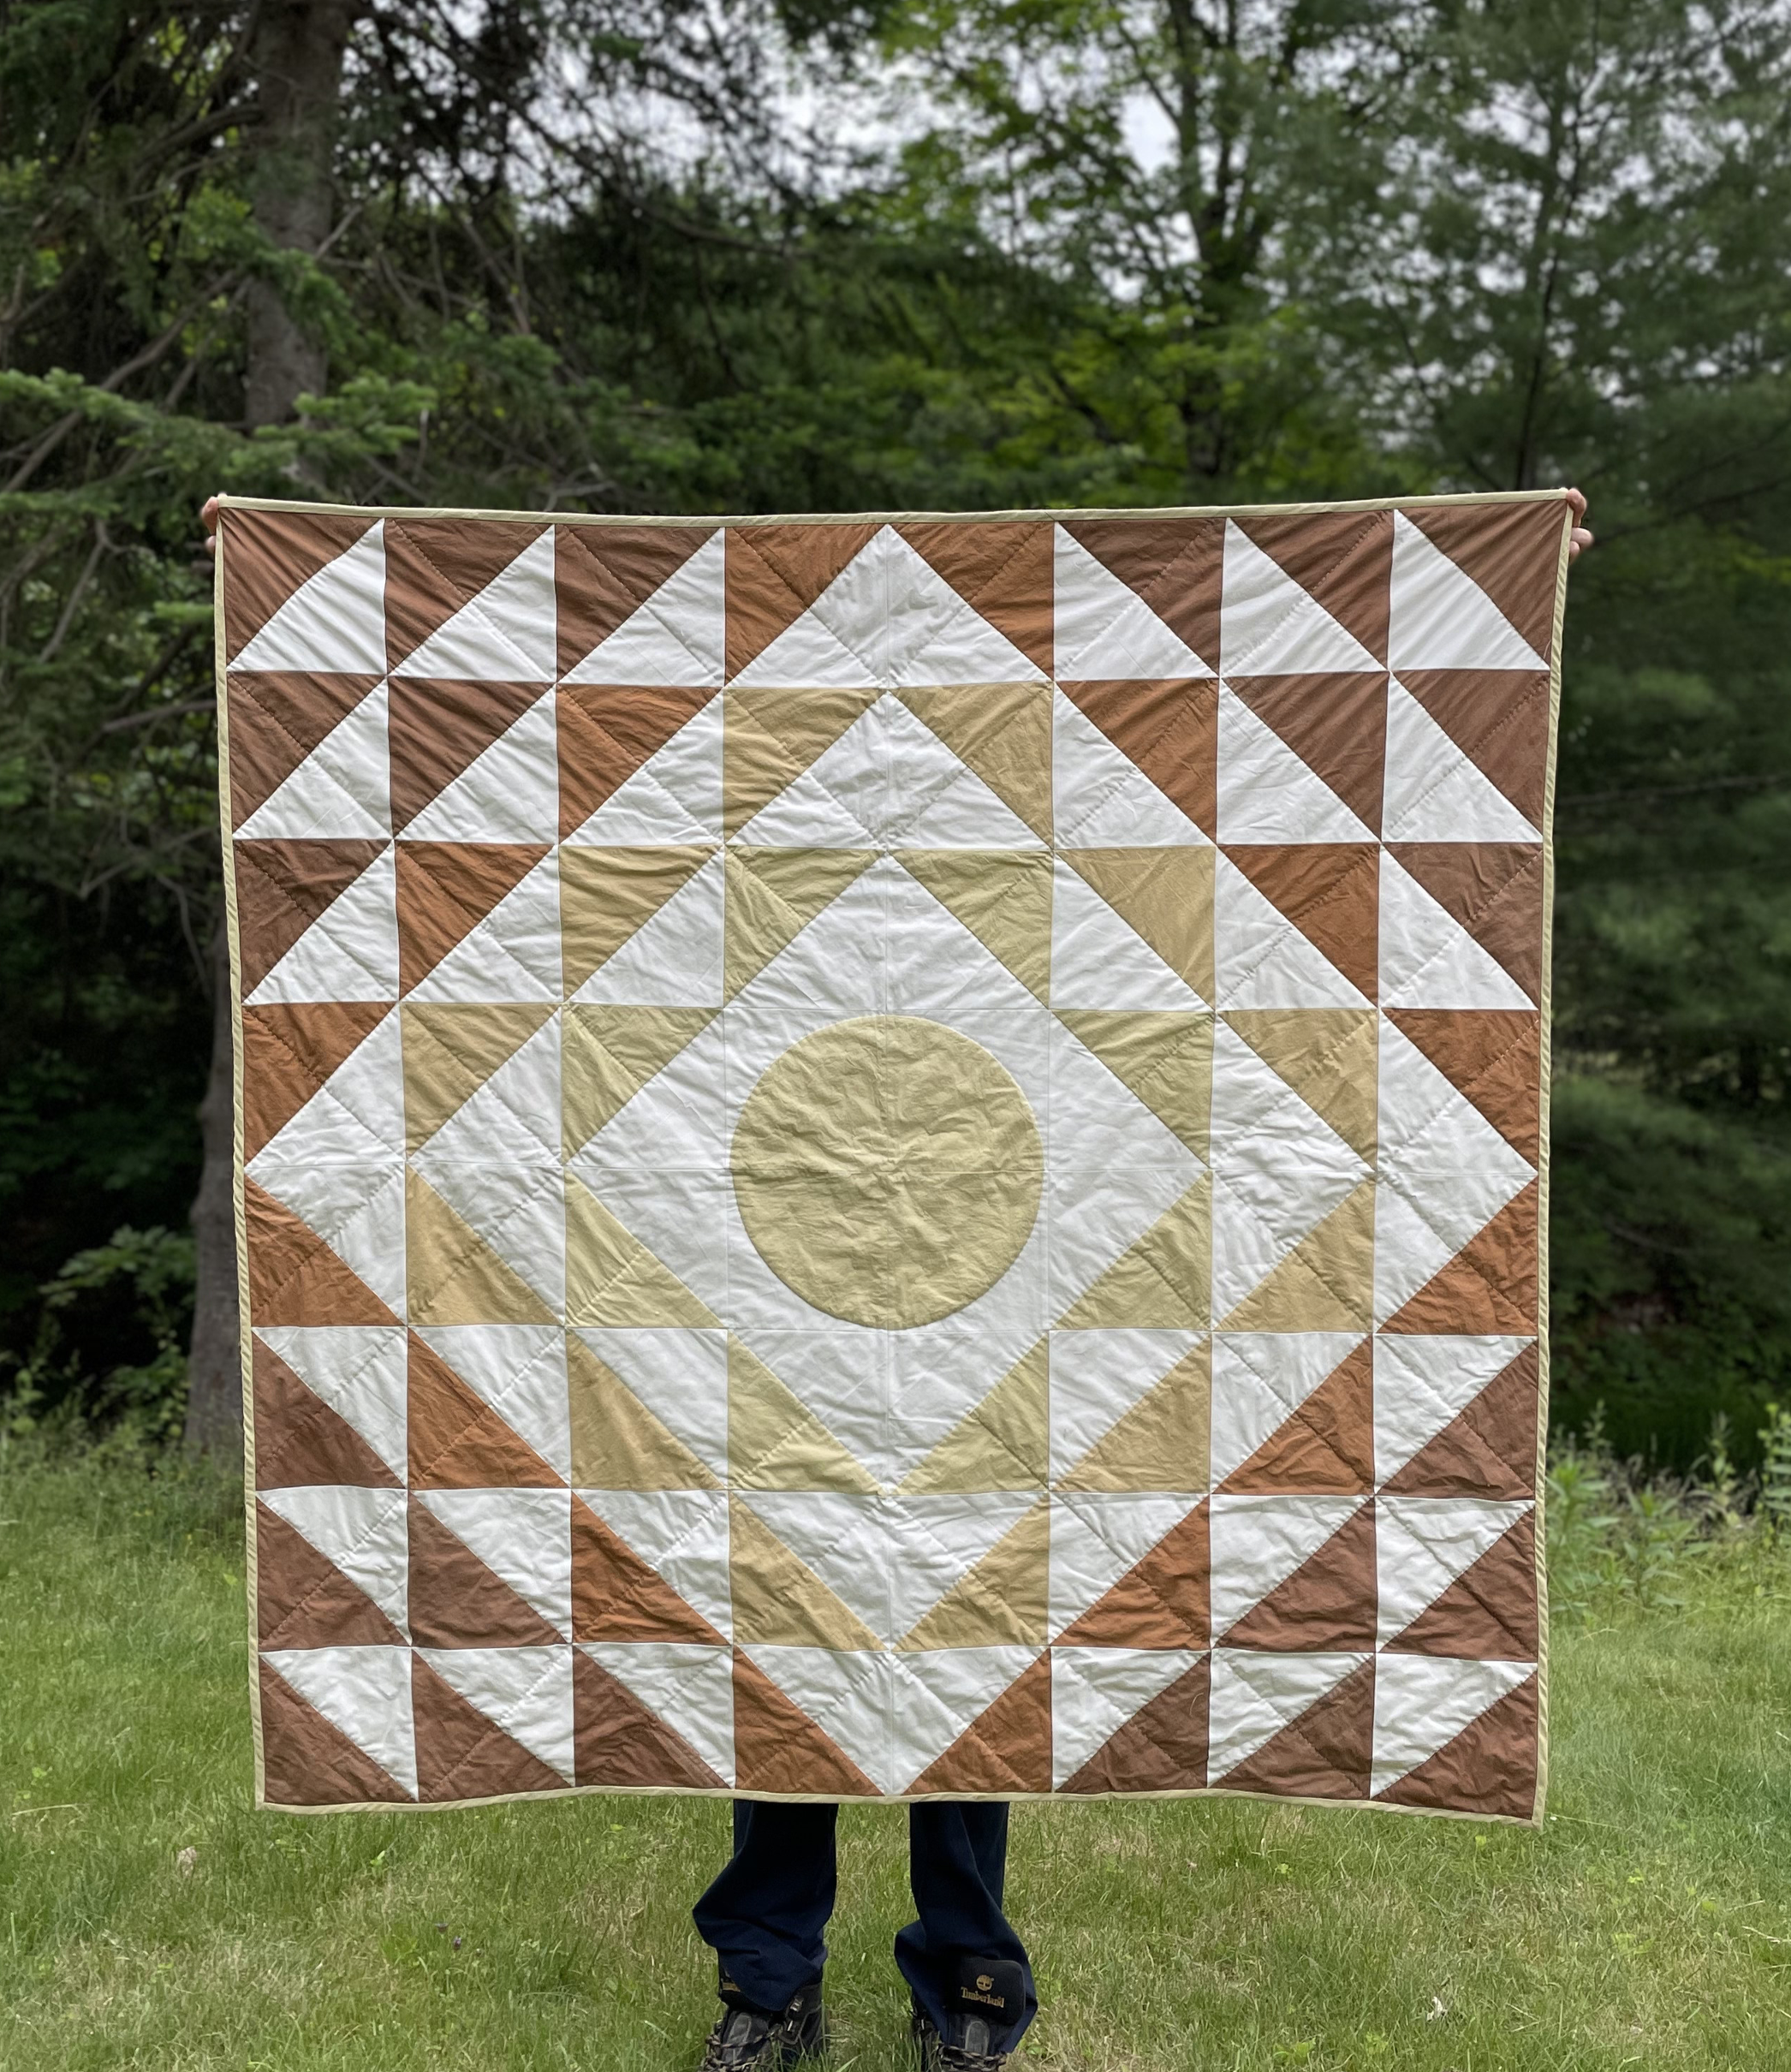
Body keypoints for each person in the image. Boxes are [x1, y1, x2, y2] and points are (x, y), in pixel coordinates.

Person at [200, 488, 1594, 2072]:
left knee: (986, 1648)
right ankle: (767, 1982)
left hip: (1004, 1326)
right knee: (768, 1642)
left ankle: (971, 1988)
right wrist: (267, 567)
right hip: (747, 1325)